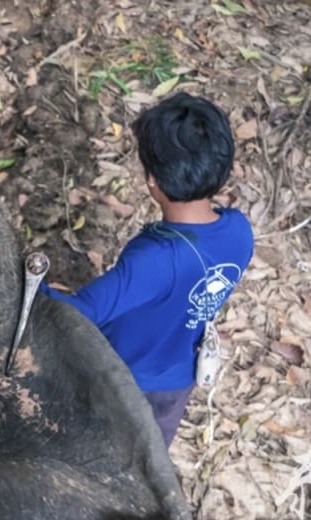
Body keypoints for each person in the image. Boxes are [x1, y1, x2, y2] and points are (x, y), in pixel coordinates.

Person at [40, 92, 254, 447]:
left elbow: (79, 312)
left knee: (94, 447)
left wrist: (28, 285)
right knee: (151, 451)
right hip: (177, 379)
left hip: (122, 377)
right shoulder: (239, 231)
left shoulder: (154, 258)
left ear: (153, 181)